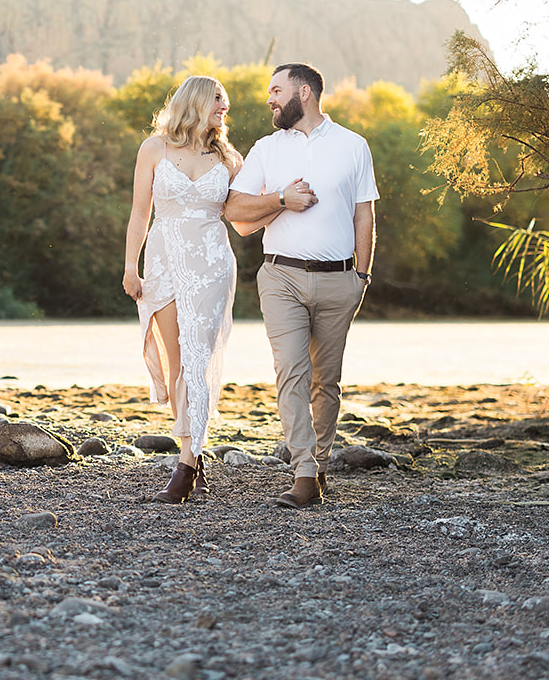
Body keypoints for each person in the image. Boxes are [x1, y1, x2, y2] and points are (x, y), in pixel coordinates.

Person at [224, 62, 377, 509]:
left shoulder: (353, 145)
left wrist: (362, 276)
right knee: (291, 371)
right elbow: (234, 208)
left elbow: (364, 213)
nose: (270, 99)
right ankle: (304, 473)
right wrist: (281, 200)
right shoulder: (267, 149)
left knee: (326, 382)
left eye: (277, 90)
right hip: (281, 276)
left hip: (340, 280)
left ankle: (322, 465)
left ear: (304, 92)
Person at [122, 75, 244, 503]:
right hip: (163, 261)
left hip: (211, 263)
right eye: (218, 101)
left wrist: (286, 199)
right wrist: (130, 267)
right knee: (178, 363)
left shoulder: (229, 158)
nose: (224, 109)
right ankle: (193, 454)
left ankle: (186, 467)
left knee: (197, 356)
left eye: (225, 104)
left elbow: (246, 213)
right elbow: (140, 213)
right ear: (194, 102)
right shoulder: (154, 149)